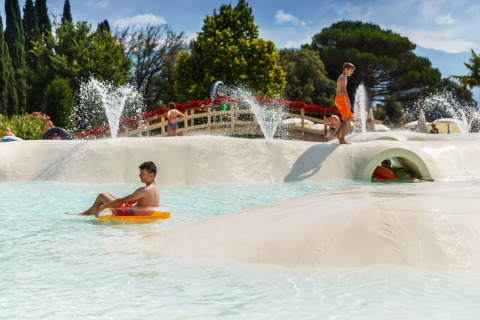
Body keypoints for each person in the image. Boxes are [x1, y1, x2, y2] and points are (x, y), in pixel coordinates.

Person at [65, 162, 160, 217]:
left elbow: (123, 200)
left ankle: (87, 215)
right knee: (108, 195)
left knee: (102, 196)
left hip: (129, 214)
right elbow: (131, 201)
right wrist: (116, 202)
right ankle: (85, 213)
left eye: (142, 173)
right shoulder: (155, 189)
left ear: (151, 175)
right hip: (133, 210)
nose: (139, 175)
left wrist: (103, 207)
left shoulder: (144, 190)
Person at [334, 62, 355, 144]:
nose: (352, 72)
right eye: (351, 70)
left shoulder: (342, 77)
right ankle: (337, 134)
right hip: (341, 99)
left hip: (340, 99)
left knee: (348, 118)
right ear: (345, 69)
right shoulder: (343, 77)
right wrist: (348, 101)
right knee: (346, 119)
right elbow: (343, 90)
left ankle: (342, 139)